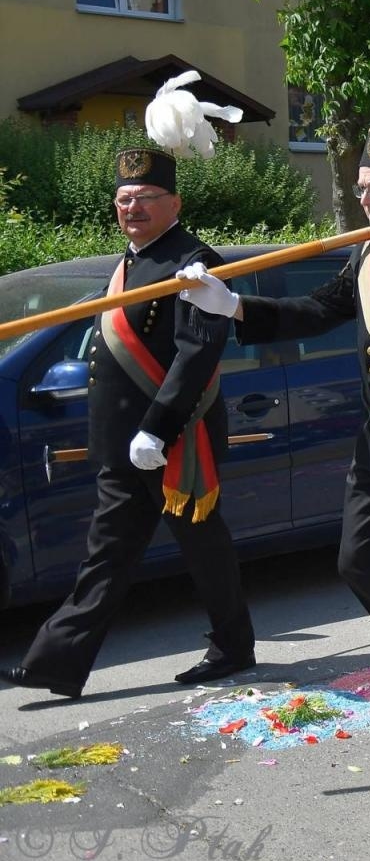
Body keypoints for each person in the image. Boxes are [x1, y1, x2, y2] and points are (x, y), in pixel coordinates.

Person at [176, 126, 370, 764]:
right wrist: (231, 306)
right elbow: (318, 309)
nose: (363, 197)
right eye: (360, 186)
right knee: (361, 564)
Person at [3, 144, 254, 699]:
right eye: (124, 199)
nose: (132, 208)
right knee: (109, 554)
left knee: (203, 549)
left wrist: (157, 429)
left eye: (145, 198)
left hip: (175, 440)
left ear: (175, 203)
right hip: (127, 443)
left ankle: (233, 646)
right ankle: (57, 664)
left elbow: (197, 353)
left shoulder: (193, 262)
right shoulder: (130, 262)